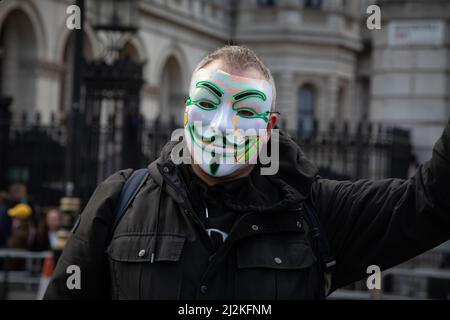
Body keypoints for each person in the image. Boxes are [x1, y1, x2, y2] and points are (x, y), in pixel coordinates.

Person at [44, 45, 450, 299]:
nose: (222, 126)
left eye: (245, 110)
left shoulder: (316, 212)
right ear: (186, 112)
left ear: (270, 126)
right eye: (207, 103)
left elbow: (430, 203)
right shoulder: (121, 201)